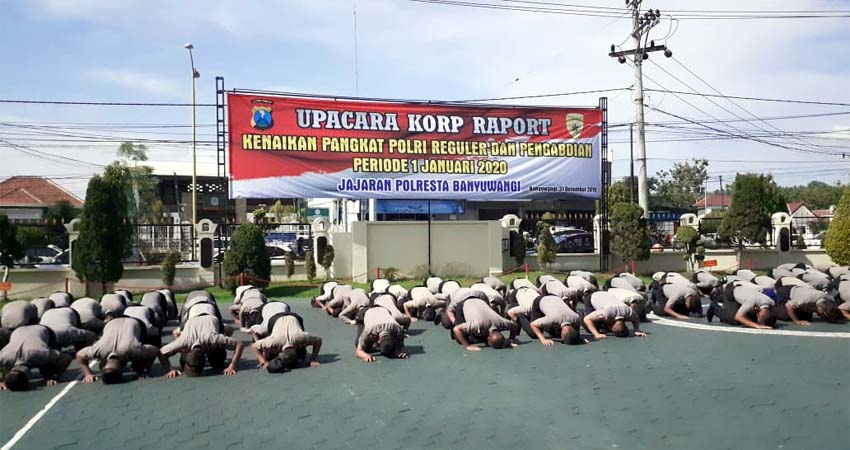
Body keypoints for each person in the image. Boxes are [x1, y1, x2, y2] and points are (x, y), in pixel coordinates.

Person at [76, 316, 176, 384]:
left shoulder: (133, 349)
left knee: (139, 366)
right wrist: (88, 374)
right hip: (112, 323)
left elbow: (156, 350)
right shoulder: (98, 350)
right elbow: (79, 355)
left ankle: (143, 368)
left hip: (136, 323)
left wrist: (166, 369)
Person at [160, 307, 244, 377]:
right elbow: (161, 352)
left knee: (218, 361)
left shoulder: (211, 338)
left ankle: (218, 347)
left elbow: (240, 344)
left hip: (209, 312)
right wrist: (169, 370)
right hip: (193, 316)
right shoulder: (183, 341)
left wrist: (232, 366)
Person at [0, 325, 73, 391]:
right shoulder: (4, 357)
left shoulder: (40, 353)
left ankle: (49, 373)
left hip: (41, 330)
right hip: (18, 331)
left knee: (47, 367)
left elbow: (67, 358)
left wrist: (55, 375)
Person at [252, 312, 322, 373]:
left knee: (302, 354)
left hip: (294, 317)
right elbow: (254, 346)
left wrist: (313, 359)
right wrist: (263, 362)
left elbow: (319, 340)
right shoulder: (274, 341)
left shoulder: (301, 337)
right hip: (276, 319)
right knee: (269, 356)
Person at [449, 297, 519, 352]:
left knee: (478, 334)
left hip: (481, 301)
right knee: (460, 339)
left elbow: (515, 326)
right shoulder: (477, 325)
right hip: (464, 303)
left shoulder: (502, 322)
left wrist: (511, 339)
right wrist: (467, 346)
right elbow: (456, 329)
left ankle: (476, 336)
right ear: (488, 338)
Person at [706, 284, 774, 329]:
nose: (760, 320)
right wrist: (757, 325)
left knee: (753, 318)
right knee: (734, 320)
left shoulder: (771, 303)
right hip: (731, 294)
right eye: (761, 318)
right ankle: (714, 308)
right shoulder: (751, 301)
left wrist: (762, 321)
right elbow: (738, 317)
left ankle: (725, 311)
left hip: (742, 291)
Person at [771, 284, 842, 325]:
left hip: (802, 295)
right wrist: (797, 321)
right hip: (787, 293)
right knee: (786, 316)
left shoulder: (830, 300)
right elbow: (789, 306)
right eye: (823, 313)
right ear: (820, 307)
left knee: (807, 317)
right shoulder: (806, 300)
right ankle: (771, 309)